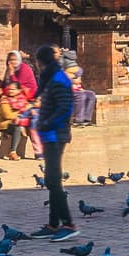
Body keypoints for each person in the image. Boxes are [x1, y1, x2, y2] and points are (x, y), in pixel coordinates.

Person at [32, 45, 76, 238]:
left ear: (40, 62)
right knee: (52, 180)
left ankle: (67, 224)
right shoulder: (52, 78)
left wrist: (48, 123)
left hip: (56, 134)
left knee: (53, 180)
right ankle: (53, 224)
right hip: (50, 134)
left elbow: (65, 108)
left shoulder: (58, 79)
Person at [69, 62, 97, 128]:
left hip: (77, 90)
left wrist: (78, 83)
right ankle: (78, 120)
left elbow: (79, 82)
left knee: (91, 94)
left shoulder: (77, 73)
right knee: (81, 95)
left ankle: (86, 119)